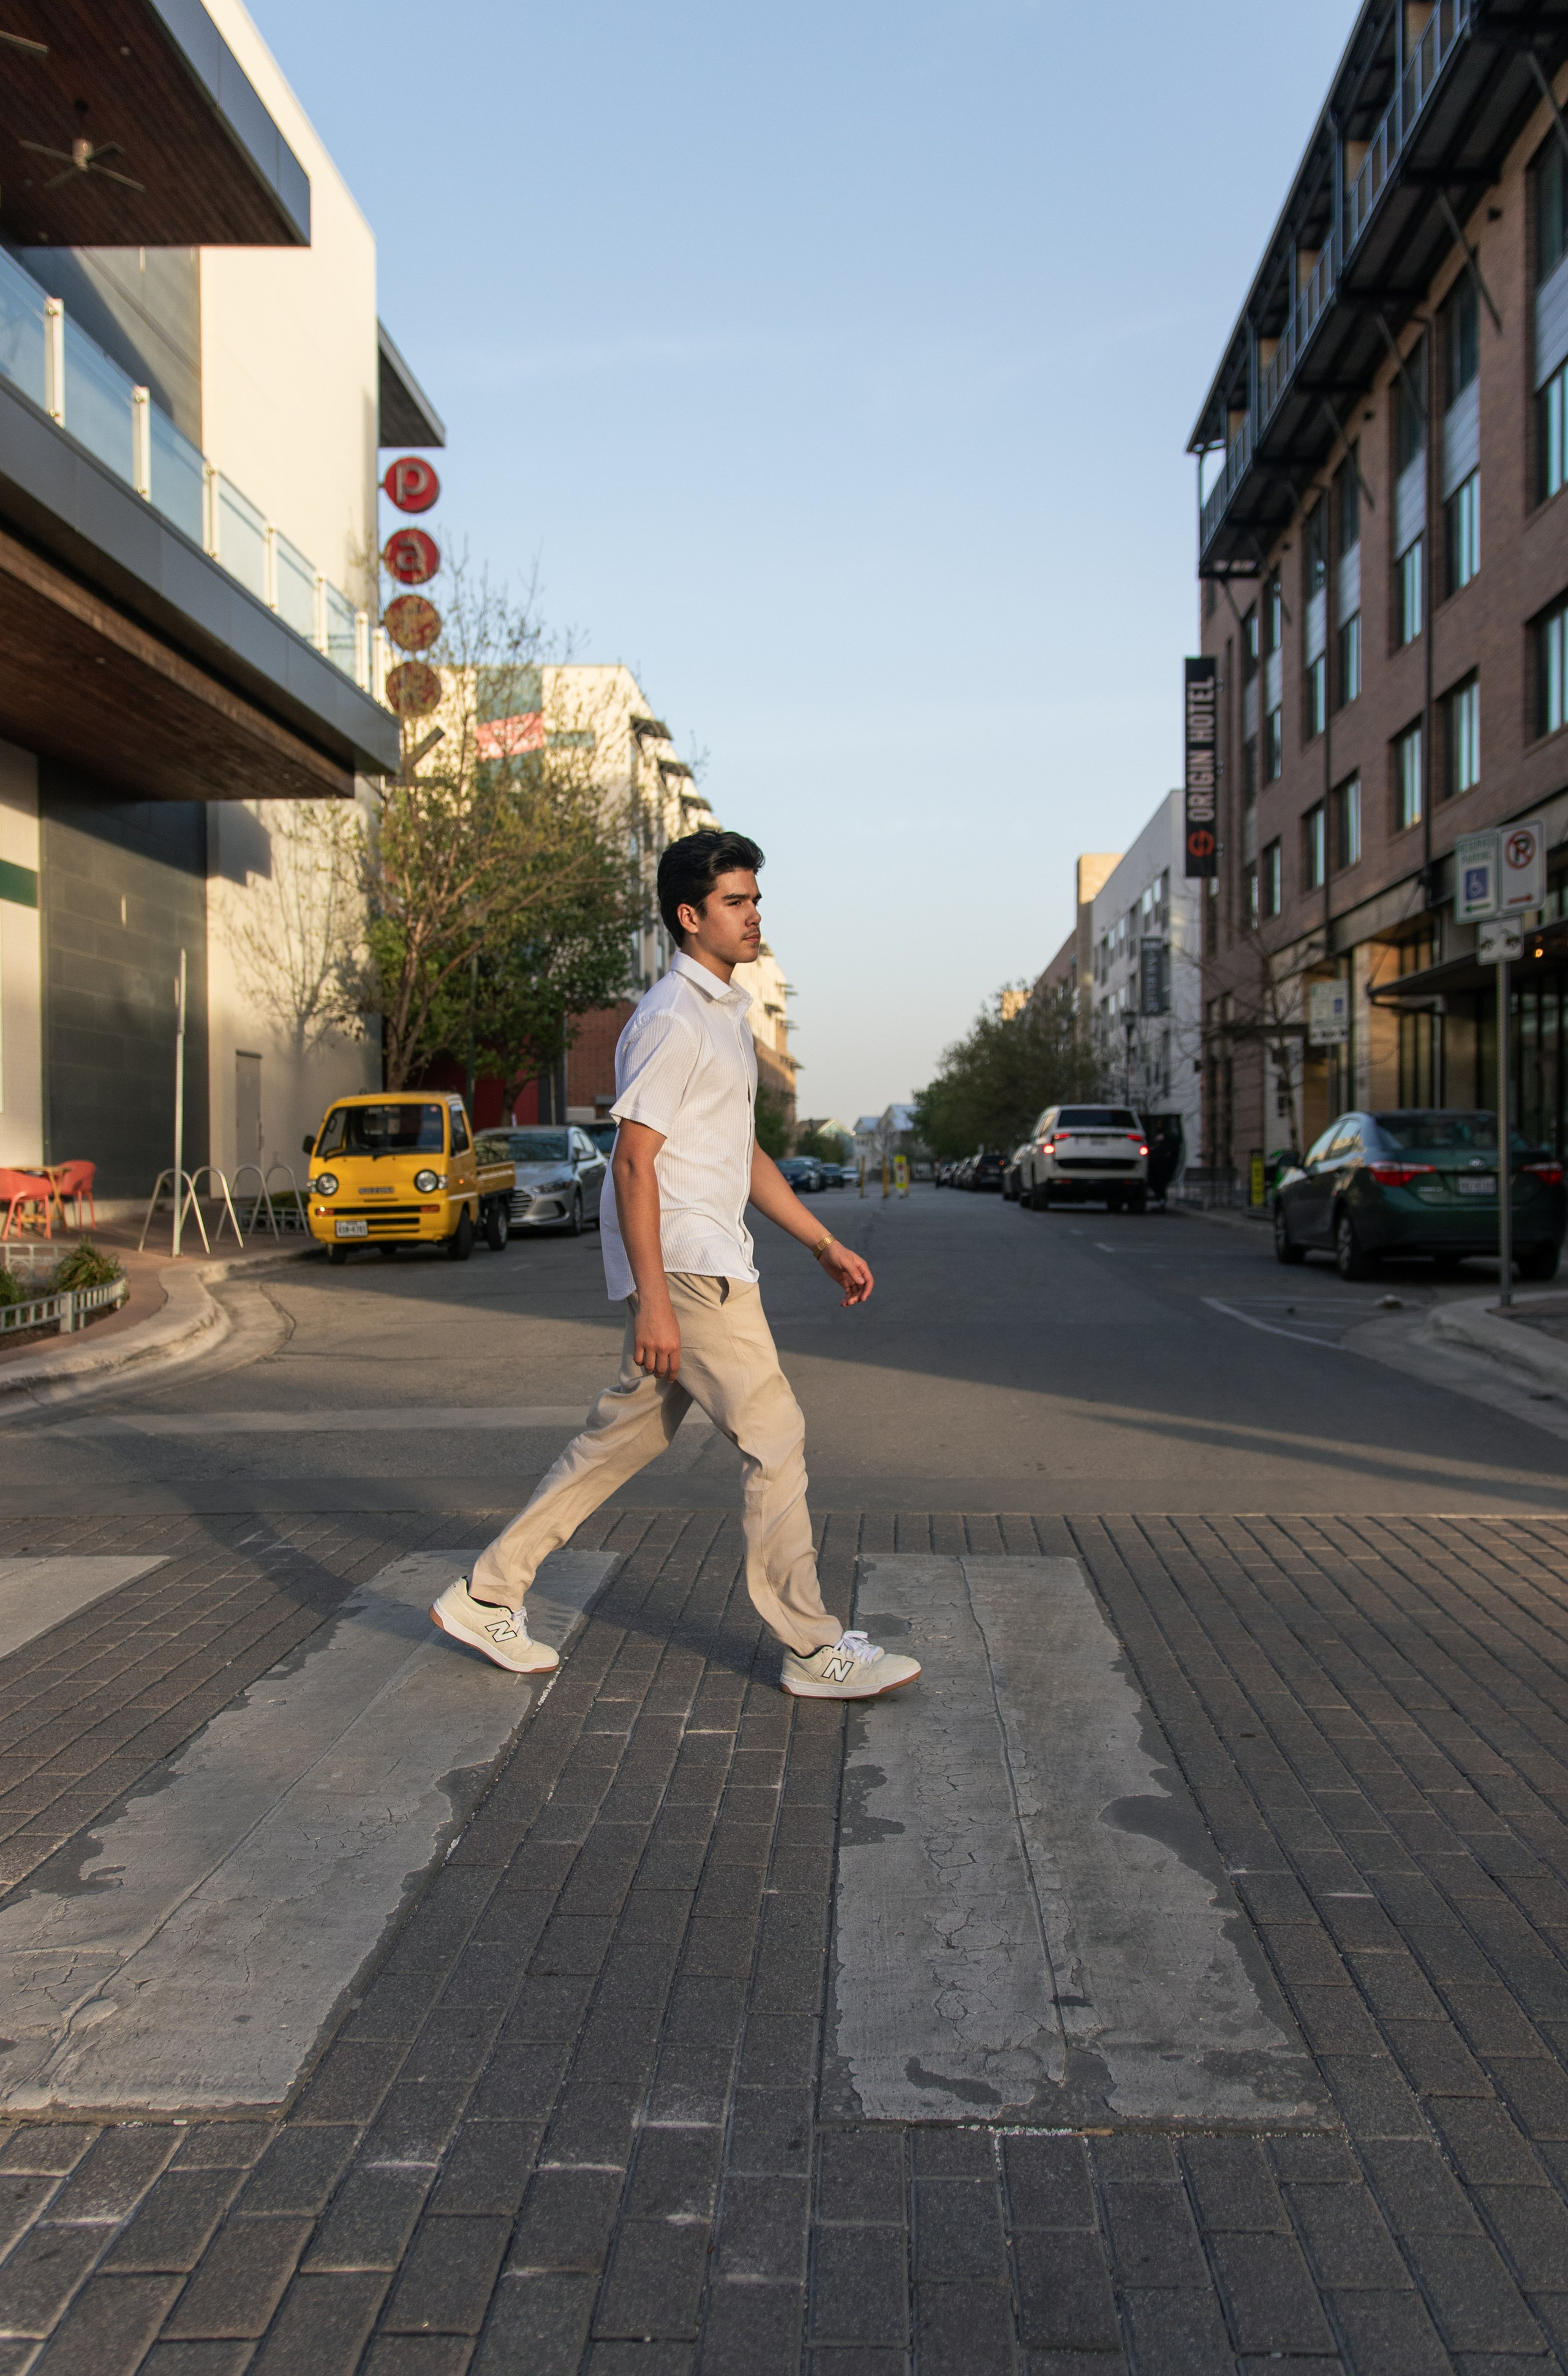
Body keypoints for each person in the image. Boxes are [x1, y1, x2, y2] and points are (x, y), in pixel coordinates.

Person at [431, 828, 921, 1703]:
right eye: (736, 901)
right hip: (693, 1268)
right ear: (690, 916)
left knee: (619, 1441)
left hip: (703, 1256)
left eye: (757, 899)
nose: (754, 915)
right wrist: (654, 1299)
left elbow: (745, 1156)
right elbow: (632, 1161)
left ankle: (488, 1592)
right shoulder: (671, 1017)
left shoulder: (723, 1016)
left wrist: (822, 1242)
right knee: (776, 1439)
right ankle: (812, 1646)